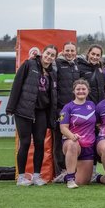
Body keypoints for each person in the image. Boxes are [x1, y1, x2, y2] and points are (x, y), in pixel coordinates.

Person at [7, 45, 58, 186]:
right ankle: (22, 177)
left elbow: (52, 95)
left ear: (54, 58)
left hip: (41, 111)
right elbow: (17, 85)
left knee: (40, 143)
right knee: (24, 143)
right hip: (23, 110)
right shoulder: (29, 64)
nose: (49, 57)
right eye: (48, 53)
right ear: (43, 53)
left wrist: (52, 115)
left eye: (52, 55)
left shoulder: (52, 73)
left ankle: (36, 176)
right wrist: (11, 107)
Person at [59, 79, 96, 188]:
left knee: (82, 182)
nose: (81, 91)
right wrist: (72, 136)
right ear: (74, 91)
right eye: (78, 89)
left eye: (83, 89)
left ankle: (65, 177)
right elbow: (63, 128)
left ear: (88, 91)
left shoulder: (92, 105)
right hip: (72, 143)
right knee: (72, 144)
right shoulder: (67, 107)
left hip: (88, 147)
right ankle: (70, 179)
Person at [53, 42, 80, 182]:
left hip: (75, 109)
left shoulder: (76, 64)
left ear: (76, 52)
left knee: (73, 139)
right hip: (60, 109)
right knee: (59, 139)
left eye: (72, 51)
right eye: (67, 50)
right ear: (63, 51)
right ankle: (61, 171)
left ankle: (73, 169)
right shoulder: (56, 63)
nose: (70, 53)